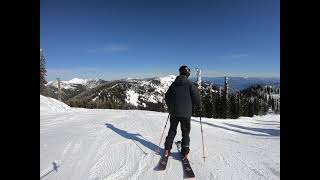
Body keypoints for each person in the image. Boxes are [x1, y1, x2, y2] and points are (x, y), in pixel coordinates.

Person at [163, 65, 201, 160]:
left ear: (180, 73)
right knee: (185, 132)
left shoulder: (174, 84)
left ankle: (167, 149)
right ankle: (185, 153)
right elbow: (197, 99)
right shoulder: (190, 84)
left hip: (174, 112)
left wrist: (171, 107)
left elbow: (167, 97)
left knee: (172, 130)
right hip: (186, 114)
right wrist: (199, 106)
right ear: (187, 74)